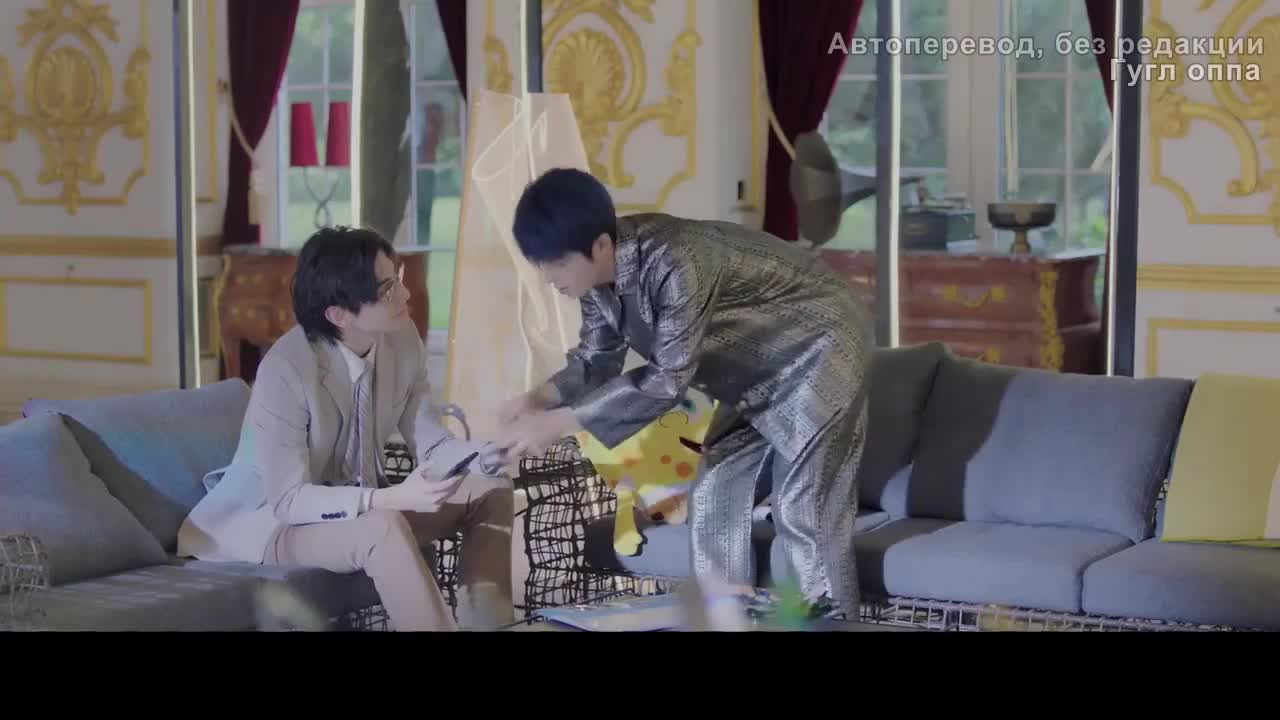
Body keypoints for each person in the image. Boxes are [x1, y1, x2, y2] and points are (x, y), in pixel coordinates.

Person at [492, 167, 873, 614]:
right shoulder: (595, 281)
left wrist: (558, 423)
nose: (548, 277)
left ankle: (829, 621)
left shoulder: (677, 260)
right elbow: (596, 359)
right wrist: (537, 400)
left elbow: (668, 379)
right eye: (541, 263)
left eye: (556, 263)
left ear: (600, 245)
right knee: (712, 491)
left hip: (820, 346)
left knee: (803, 505)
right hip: (752, 374)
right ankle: (723, 618)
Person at [177, 226, 514, 632]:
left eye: (398, 277)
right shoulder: (285, 369)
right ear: (338, 315)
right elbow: (288, 500)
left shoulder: (402, 338)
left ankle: (489, 627)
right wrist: (386, 498)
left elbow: (431, 442)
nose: (406, 294)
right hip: (277, 524)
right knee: (382, 526)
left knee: (490, 488)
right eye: (388, 289)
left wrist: (486, 454)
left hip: (363, 507)